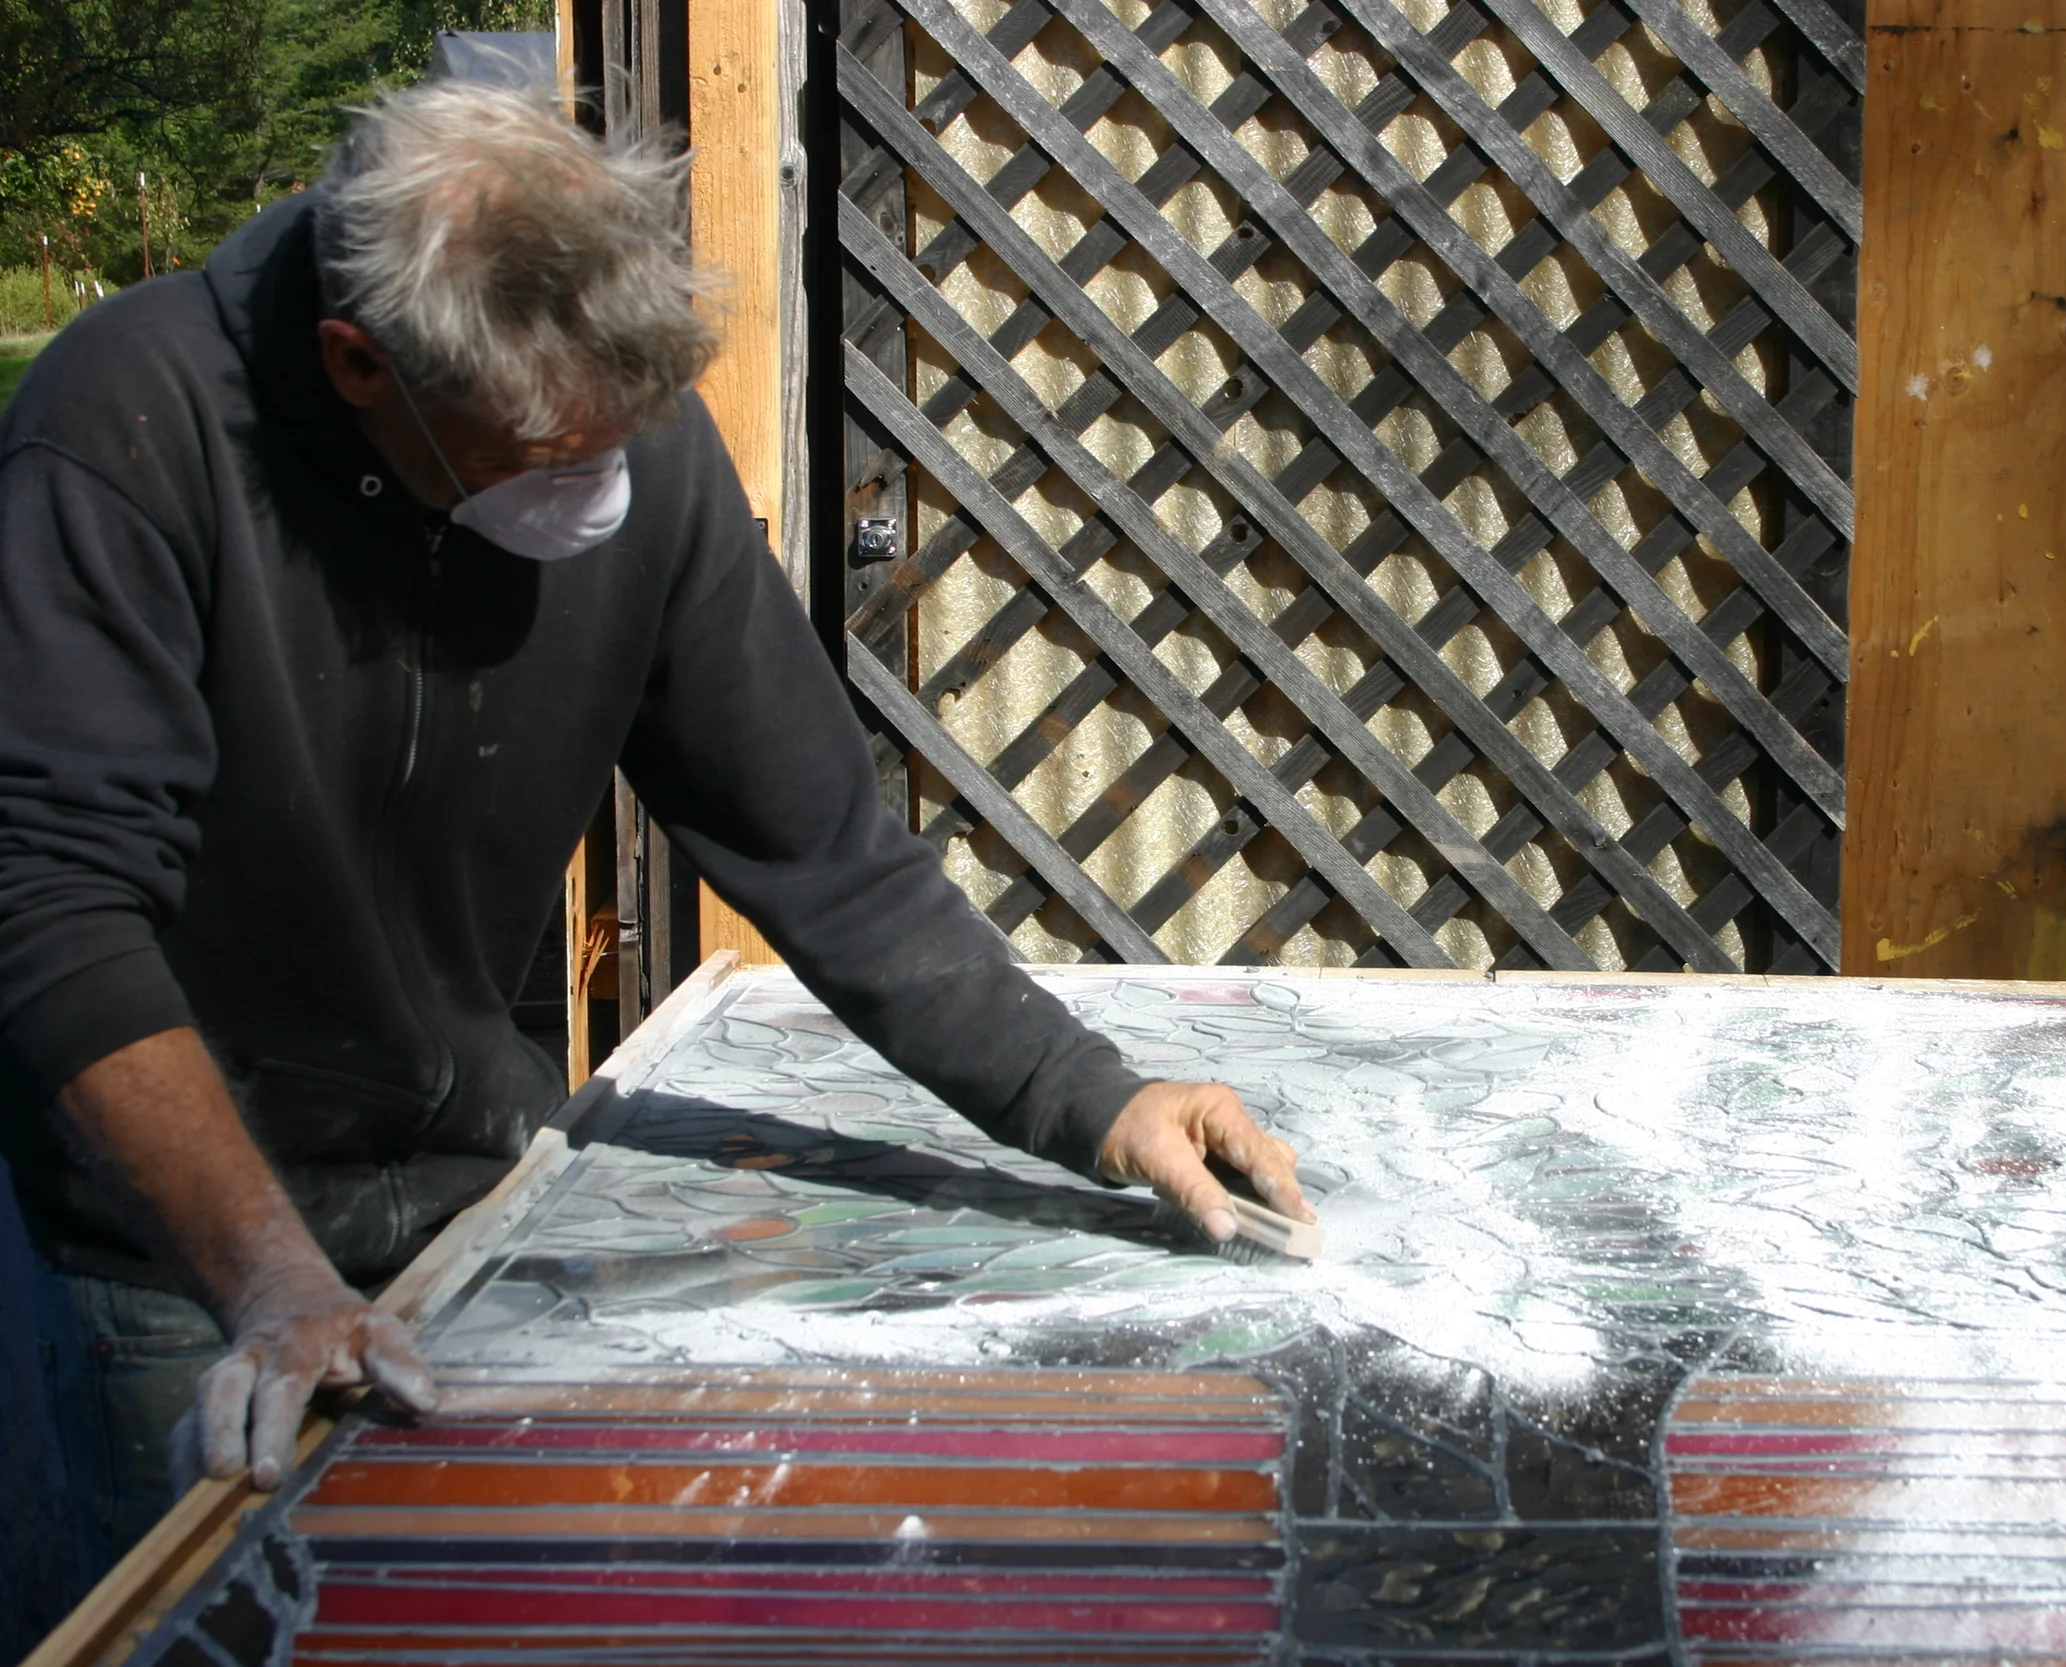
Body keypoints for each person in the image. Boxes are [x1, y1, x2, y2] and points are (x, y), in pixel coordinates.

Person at [0, 79, 1312, 1588]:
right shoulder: (125, 432)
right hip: (181, 1252)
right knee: (224, 1616)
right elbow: (53, 911)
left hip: (471, 1191)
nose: (602, 489)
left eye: (623, 438)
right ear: (360, 366)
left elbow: (823, 847)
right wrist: (268, 1277)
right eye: (549, 455)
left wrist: (1090, 1095)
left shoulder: (633, 454)